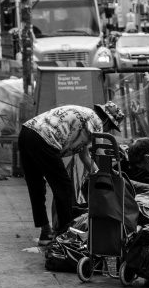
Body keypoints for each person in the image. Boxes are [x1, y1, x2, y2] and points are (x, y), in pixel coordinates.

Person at [19, 101, 126, 245]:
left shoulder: (85, 119)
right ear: (107, 120)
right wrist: (109, 178)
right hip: (45, 139)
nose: (108, 131)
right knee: (64, 187)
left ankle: (46, 233)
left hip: (26, 133)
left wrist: (96, 174)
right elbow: (100, 153)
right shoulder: (96, 121)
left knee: (36, 186)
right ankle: (64, 235)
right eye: (110, 128)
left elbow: (85, 157)